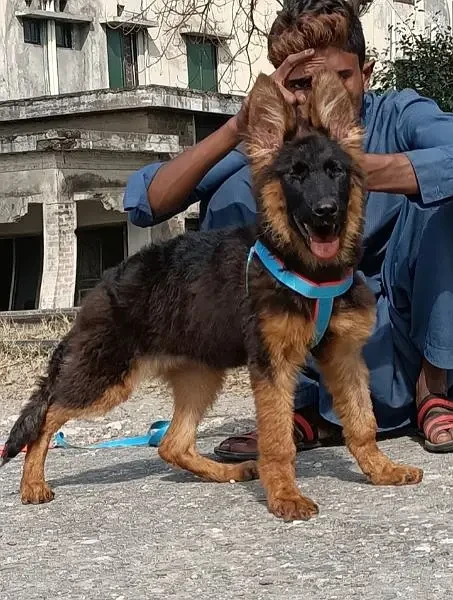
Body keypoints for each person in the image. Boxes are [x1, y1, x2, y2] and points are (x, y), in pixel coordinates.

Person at [123, 0, 453, 457]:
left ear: (368, 73)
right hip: (306, 341)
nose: (323, 94)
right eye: (302, 83)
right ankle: (296, 408)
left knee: (444, 197)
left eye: (340, 78)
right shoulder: (277, 142)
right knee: (234, 194)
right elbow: (145, 203)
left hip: (399, 333)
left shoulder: (398, 114)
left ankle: (435, 389)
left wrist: (357, 168)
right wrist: (239, 126)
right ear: (283, 85)